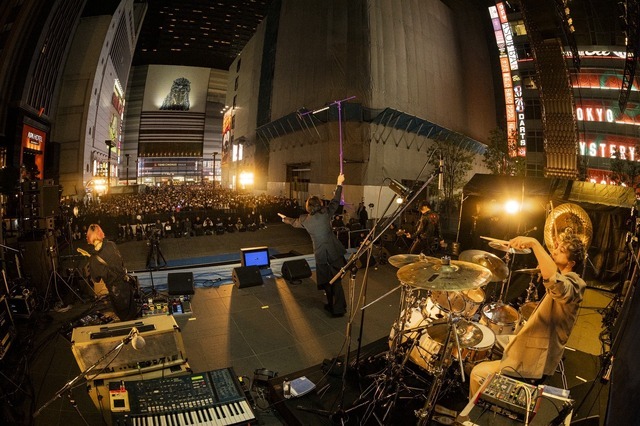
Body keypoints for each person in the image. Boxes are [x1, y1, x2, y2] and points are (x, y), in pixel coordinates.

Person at [468, 232, 586, 399]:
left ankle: (480, 406)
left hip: (537, 356)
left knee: (477, 372)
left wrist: (534, 243)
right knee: (489, 339)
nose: (555, 251)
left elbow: (556, 282)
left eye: (561, 250)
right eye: (557, 247)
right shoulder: (565, 276)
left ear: (571, 263)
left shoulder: (576, 283)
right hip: (531, 340)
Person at [278, 173, 347, 316]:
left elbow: (293, 222)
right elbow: (335, 201)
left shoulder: (305, 219)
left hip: (321, 256)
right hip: (334, 252)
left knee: (327, 282)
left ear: (308, 208)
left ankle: (331, 305)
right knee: (337, 281)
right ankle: (338, 308)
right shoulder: (326, 213)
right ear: (320, 204)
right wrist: (339, 183)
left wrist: (284, 218)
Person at [78, 224, 138, 321]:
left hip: (115, 291)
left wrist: (91, 260)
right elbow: (120, 261)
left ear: (89, 237)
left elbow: (96, 279)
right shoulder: (111, 245)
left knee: (125, 318)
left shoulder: (93, 259)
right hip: (126, 283)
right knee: (132, 314)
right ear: (100, 232)